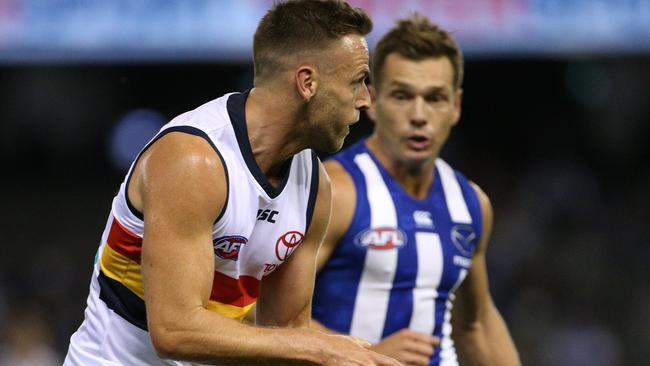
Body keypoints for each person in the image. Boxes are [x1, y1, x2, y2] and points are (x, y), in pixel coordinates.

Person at [65, 1, 403, 365]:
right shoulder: (193, 161)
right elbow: (175, 331)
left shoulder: (314, 188)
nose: (366, 100)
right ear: (308, 83)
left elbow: (286, 334)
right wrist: (322, 347)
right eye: (357, 81)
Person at [311, 14, 521, 366]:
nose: (419, 115)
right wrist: (365, 357)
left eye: (435, 98)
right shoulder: (336, 191)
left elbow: (476, 324)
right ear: (372, 102)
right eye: (402, 96)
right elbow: (264, 312)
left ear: (455, 107)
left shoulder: (471, 204)